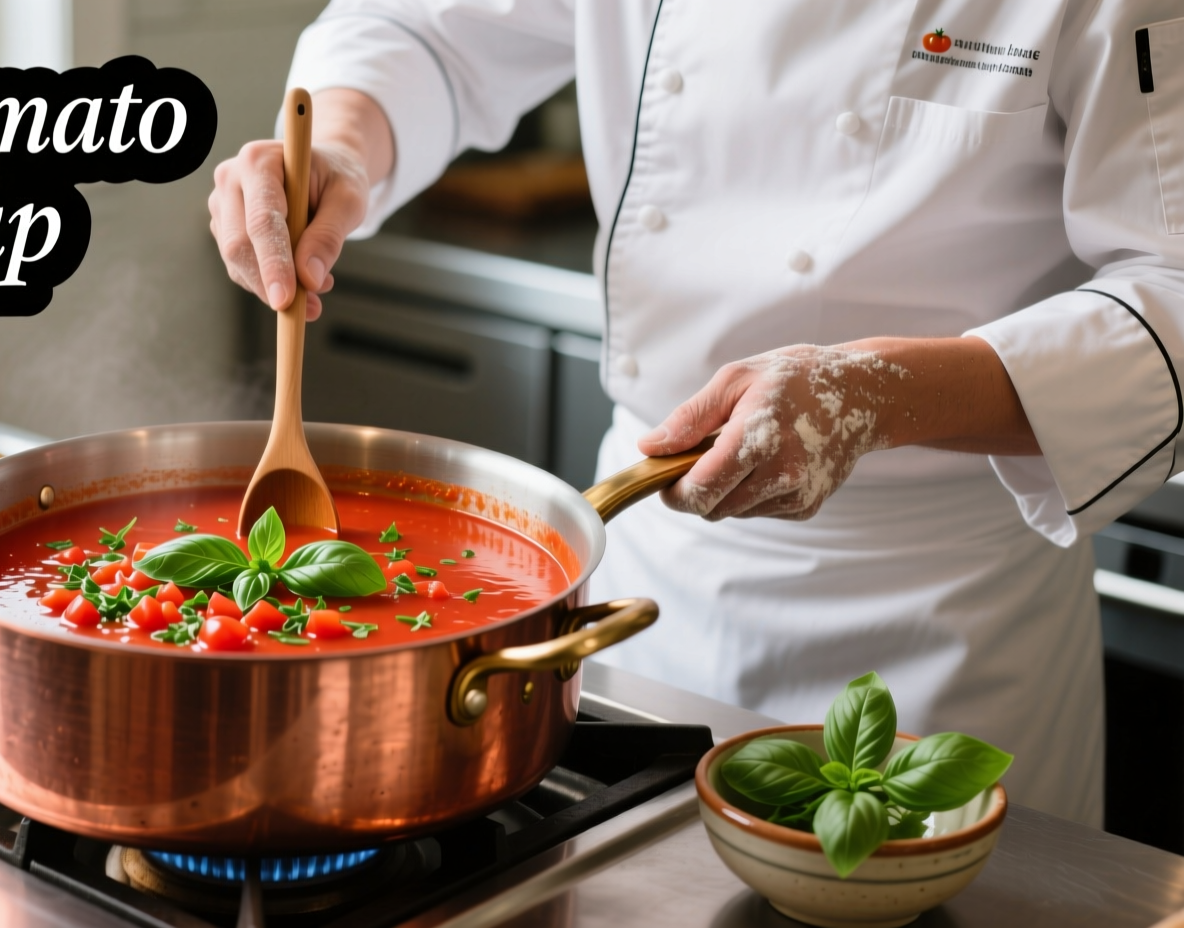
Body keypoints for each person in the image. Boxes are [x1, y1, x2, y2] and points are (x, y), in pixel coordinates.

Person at [207, 0, 1184, 827]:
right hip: (651, 592)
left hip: (947, 626)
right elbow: (426, 29)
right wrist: (339, 142)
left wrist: (877, 392)